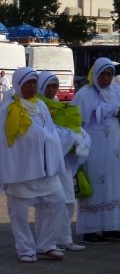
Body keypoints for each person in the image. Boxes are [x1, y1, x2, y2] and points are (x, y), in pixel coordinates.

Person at [0, 68, 68, 263]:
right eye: (28, 83)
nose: (31, 86)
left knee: (57, 200)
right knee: (18, 212)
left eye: (34, 83)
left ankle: (46, 244)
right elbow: (4, 140)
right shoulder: (9, 107)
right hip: (20, 169)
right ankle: (25, 248)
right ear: (18, 84)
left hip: (44, 167)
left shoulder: (40, 105)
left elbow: (49, 131)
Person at [71, 57, 120, 244]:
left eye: (110, 74)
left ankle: (112, 227)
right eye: (104, 74)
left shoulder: (118, 92)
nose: (107, 78)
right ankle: (91, 230)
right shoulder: (85, 94)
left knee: (114, 184)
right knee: (96, 183)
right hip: (94, 149)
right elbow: (77, 121)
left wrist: (117, 111)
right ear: (96, 74)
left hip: (114, 149)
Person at [38, 71, 91, 252]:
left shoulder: (59, 107)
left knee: (68, 200)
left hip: (65, 162)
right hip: (48, 164)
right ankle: (48, 241)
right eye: (48, 86)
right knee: (49, 203)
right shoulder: (38, 107)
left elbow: (71, 128)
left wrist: (79, 140)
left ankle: (64, 238)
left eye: (55, 86)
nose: (52, 90)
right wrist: (71, 138)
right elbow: (48, 135)